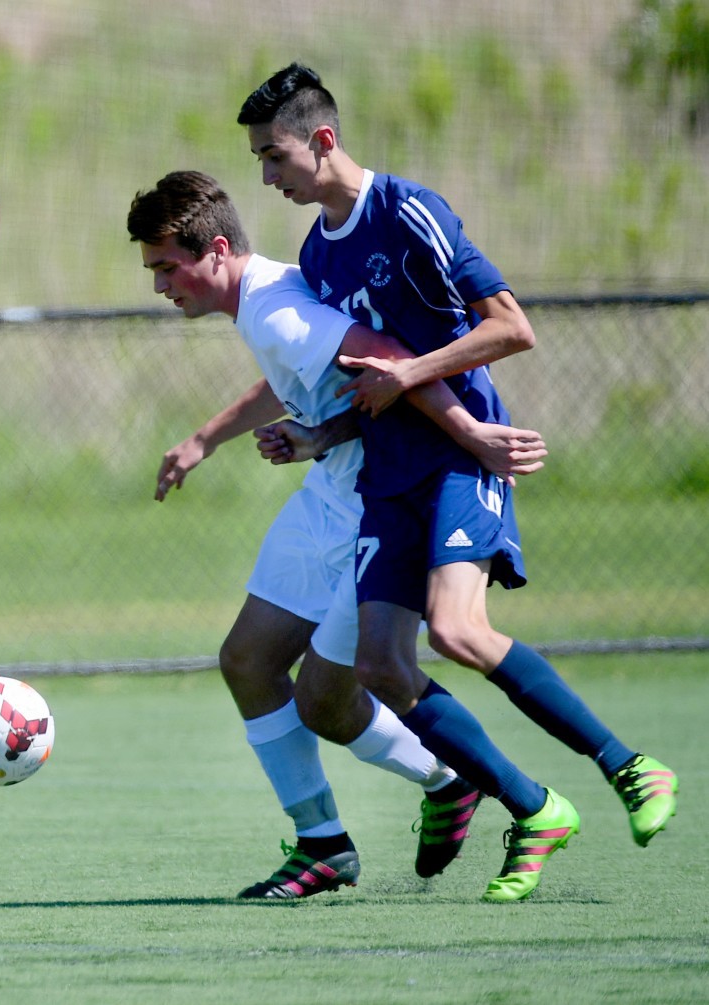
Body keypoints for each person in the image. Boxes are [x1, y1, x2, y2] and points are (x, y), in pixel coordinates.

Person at [238, 63, 678, 902]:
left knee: (458, 630)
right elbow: (370, 385)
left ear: (322, 140)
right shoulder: (314, 254)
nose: (266, 175)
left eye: (274, 155)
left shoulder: (410, 213)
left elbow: (512, 327)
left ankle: (630, 767)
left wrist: (413, 378)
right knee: (379, 667)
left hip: (460, 460)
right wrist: (320, 433)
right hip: (386, 476)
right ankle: (534, 809)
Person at [127, 171, 549, 899]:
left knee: (326, 698)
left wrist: (475, 435)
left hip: (376, 500)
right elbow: (292, 375)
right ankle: (322, 843)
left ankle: (460, 780)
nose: (161, 284)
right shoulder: (264, 306)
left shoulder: (276, 310)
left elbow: (385, 357)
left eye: (168, 266)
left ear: (217, 249)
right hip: (329, 493)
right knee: (248, 660)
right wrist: (205, 437)